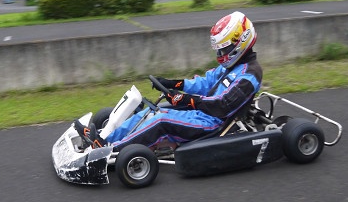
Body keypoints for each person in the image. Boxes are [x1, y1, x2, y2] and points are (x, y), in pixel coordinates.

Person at [75, 11, 263, 151]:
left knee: (161, 120)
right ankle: (104, 138)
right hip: (201, 113)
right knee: (151, 111)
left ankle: (110, 150)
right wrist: (174, 84)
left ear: (241, 42)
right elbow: (204, 84)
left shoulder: (250, 75)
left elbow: (222, 105)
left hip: (213, 124)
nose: (221, 54)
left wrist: (186, 99)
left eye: (224, 49)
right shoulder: (231, 67)